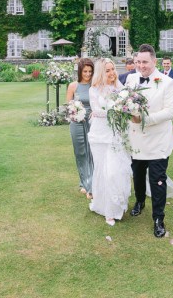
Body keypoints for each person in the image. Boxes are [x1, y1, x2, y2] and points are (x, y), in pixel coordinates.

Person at [126, 44, 173, 238]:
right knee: (137, 175)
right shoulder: (131, 79)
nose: (141, 66)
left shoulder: (167, 82)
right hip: (136, 139)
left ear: (154, 61)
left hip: (158, 141)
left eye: (145, 62)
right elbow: (124, 101)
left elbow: (171, 111)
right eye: (138, 61)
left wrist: (145, 120)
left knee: (157, 179)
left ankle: (158, 218)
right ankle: (139, 201)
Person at [87, 58, 131, 226]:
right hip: (99, 136)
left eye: (113, 69)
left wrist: (122, 109)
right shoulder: (94, 90)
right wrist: (115, 110)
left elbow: (128, 104)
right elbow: (96, 111)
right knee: (102, 171)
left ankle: (115, 207)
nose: (112, 73)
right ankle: (105, 208)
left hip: (116, 135)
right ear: (101, 72)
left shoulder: (120, 88)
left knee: (115, 171)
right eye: (108, 70)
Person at [66, 58, 94, 198]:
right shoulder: (73, 86)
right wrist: (75, 115)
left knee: (92, 153)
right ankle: (84, 182)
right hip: (77, 123)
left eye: (90, 71)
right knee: (80, 153)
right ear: (80, 71)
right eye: (85, 71)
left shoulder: (95, 85)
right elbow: (69, 107)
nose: (88, 74)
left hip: (93, 123)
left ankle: (92, 183)